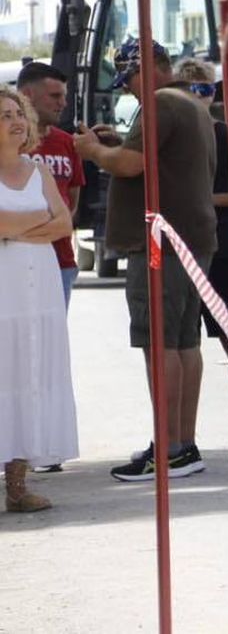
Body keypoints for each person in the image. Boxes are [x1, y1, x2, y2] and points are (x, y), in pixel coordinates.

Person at [72, 38, 217, 482]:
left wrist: (95, 151)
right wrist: (119, 142)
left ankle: (169, 449)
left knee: (160, 344)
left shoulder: (159, 104)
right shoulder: (189, 102)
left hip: (161, 244)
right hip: (192, 239)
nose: (130, 90)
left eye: (130, 79)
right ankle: (182, 444)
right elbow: (155, 156)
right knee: (185, 344)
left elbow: (131, 164)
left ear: (148, 68)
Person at [0, 86, 78, 512]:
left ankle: (17, 485)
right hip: (4, 292)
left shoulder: (38, 170)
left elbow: (63, 222)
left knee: (30, 372)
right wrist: (34, 222)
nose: (15, 121)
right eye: (3, 115)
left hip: (39, 289)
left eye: (17, 113)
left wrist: (15, 229)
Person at [173, 58, 228, 463]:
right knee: (179, 346)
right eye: (187, 89)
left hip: (220, 251)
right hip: (178, 251)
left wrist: (197, 201)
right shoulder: (171, 131)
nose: (196, 97)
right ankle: (179, 441)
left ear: (214, 94)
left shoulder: (224, 135)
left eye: (203, 90)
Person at [17, 62, 86, 309]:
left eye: (64, 96)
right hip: (16, 261)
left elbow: (72, 202)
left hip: (61, 262)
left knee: (52, 339)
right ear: (27, 96)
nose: (63, 103)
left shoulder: (68, 143)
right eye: (55, 96)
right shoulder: (9, 146)